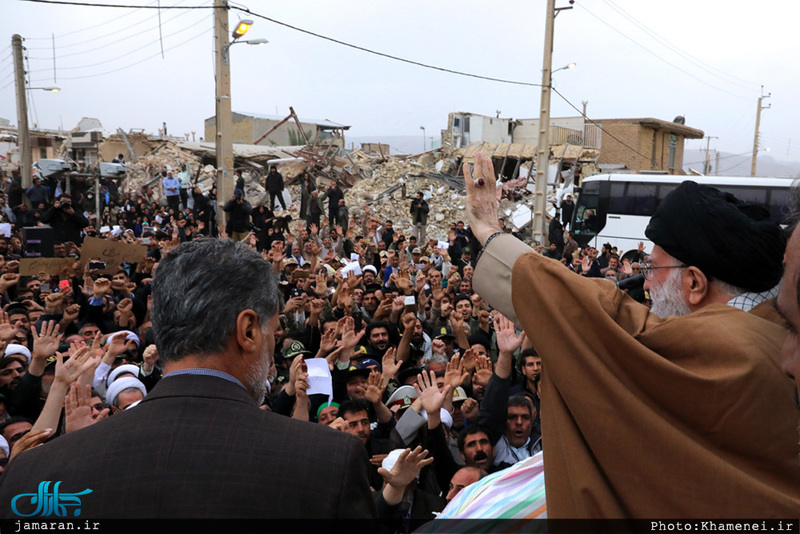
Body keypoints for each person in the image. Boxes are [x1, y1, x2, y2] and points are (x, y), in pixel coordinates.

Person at [464, 151, 800, 517]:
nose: (645, 282)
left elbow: (592, 317)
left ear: (694, 282)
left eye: (652, 267)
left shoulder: (723, 346)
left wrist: (486, 228)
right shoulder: (774, 330)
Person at [0, 239, 376, 519]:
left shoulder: (35, 478)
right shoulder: (328, 463)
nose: (270, 346)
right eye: (272, 331)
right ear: (247, 331)